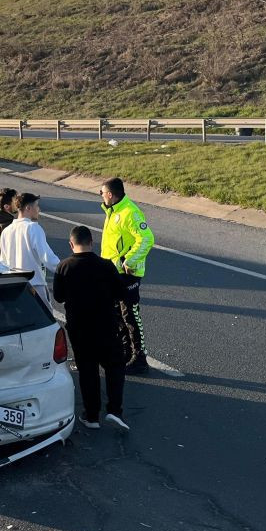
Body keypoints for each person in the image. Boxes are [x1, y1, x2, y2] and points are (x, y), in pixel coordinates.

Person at [53, 225, 128, 430]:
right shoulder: (106, 265)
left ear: (71, 244)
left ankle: (92, 415)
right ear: (91, 243)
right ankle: (114, 410)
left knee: (87, 371)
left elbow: (58, 297)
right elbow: (121, 293)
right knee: (114, 366)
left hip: (79, 328)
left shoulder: (64, 267)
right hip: (106, 325)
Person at [99, 177, 155, 375]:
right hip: (113, 273)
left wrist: (129, 260)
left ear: (111, 194)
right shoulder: (113, 210)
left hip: (127, 274)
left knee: (130, 315)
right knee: (117, 314)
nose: (101, 196)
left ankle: (140, 359)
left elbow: (147, 238)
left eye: (102, 192)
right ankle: (125, 353)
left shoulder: (129, 212)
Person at [0, 192, 60, 307]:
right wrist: (64, 270)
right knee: (45, 319)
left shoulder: (6, 231)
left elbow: (4, 262)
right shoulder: (33, 228)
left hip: (15, 287)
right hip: (35, 285)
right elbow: (47, 258)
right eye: (36, 206)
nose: (38, 209)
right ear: (28, 208)